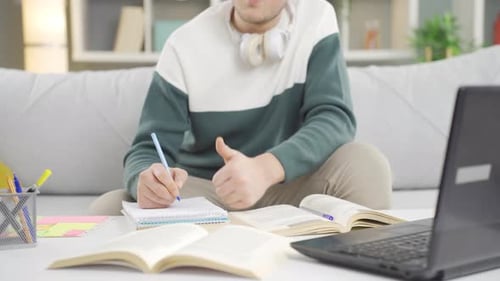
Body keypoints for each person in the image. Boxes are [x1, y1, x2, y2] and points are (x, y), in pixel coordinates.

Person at [116, 0, 392, 213]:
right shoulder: (183, 44)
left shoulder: (316, 17)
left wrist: (265, 169)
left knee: (366, 165)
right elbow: (148, 148)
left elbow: (334, 118)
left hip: (288, 186)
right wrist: (148, 179)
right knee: (109, 208)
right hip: (209, 193)